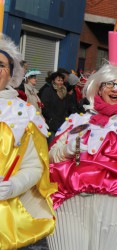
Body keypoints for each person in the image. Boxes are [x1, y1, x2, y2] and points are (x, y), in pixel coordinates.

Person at [46, 62, 117, 249]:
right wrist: (67, 150)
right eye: (109, 84)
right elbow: (50, 157)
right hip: (71, 204)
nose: (115, 89)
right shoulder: (78, 120)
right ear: (98, 88)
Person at [0, 35, 56, 249]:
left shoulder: (24, 114)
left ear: (12, 74)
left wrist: (13, 186)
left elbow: (35, 166)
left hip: (7, 220)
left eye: (1, 65)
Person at [39, 71, 70, 144]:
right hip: (51, 123)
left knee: (59, 145)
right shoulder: (48, 91)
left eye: (62, 80)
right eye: (58, 80)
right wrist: (51, 118)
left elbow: (67, 106)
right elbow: (44, 106)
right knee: (51, 144)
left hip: (62, 123)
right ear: (53, 81)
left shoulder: (64, 91)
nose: (60, 82)